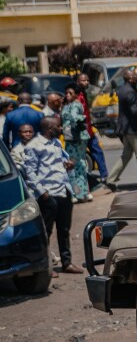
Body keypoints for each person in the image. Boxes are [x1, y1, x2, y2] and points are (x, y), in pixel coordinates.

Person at [21, 116, 84, 274]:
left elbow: (61, 162)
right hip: (48, 195)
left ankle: (66, 262)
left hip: (63, 190)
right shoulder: (34, 146)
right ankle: (46, 266)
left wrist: (68, 165)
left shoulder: (56, 143)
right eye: (58, 126)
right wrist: (44, 194)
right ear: (50, 128)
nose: (61, 129)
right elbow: (30, 173)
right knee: (46, 231)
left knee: (64, 230)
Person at [104, 69, 137, 191]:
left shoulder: (124, 89)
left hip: (126, 128)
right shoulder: (129, 91)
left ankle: (111, 180)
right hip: (134, 129)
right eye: (135, 76)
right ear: (130, 78)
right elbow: (134, 110)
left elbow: (132, 103)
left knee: (126, 155)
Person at [74, 72, 108, 185]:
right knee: (81, 156)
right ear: (78, 82)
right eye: (84, 80)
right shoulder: (76, 96)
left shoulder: (84, 93)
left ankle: (104, 175)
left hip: (89, 130)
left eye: (87, 80)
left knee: (97, 151)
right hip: (81, 132)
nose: (86, 82)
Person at [61, 84, 92, 202]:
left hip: (76, 138)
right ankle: (83, 192)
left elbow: (74, 118)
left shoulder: (75, 105)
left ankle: (78, 193)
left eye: (70, 93)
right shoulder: (68, 105)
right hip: (70, 137)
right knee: (78, 164)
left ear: (76, 94)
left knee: (75, 165)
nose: (68, 95)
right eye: (67, 93)